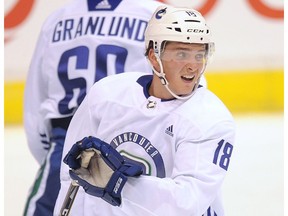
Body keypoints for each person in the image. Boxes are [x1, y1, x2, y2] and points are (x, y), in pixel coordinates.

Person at [54, 5, 236, 216]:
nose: (193, 66)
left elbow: (187, 202)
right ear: (153, 56)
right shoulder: (106, 95)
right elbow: (73, 176)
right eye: (181, 53)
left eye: (199, 55)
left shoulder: (210, 118)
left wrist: (116, 181)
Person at [23, 0, 167, 215]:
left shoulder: (57, 20)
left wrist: (54, 153)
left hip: (67, 143)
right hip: (132, 139)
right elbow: (179, 90)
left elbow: (35, 102)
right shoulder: (156, 15)